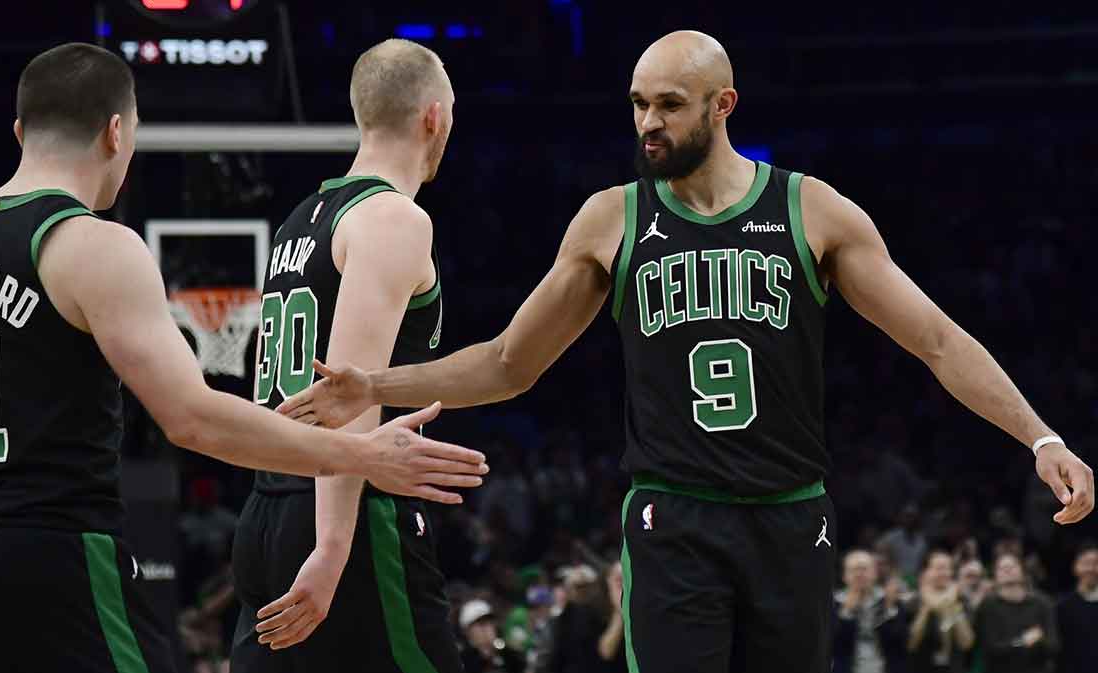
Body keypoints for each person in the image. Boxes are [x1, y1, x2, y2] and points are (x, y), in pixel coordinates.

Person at [283, 29, 1095, 673]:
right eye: (638, 104)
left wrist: (1041, 436)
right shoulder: (611, 218)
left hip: (790, 515)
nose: (648, 123)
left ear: (723, 104)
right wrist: (374, 382)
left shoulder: (811, 210)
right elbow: (506, 363)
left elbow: (938, 340)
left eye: (669, 104)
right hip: (673, 520)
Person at [0, 43, 487, 673]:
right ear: (117, 131)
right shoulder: (89, 243)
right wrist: (356, 476)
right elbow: (220, 413)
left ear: (19, 131)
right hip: (69, 552)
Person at [231, 39, 468, 672]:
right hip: (349, 512)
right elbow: (346, 394)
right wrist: (333, 545)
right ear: (434, 117)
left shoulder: (300, 221)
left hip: (266, 508)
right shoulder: (393, 218)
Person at [973, 554, 1058, 673]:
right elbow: (990, 648)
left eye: (1012, 566)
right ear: (995, 576)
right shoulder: (987, 606)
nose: (1007, 570)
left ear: (1022, 572)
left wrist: (1039, 641)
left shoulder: (1042, 603)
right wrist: (1022, 642)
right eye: (1001, 568)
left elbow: (1053, 646)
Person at [833, 550, 909, 673]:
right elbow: (834, 646)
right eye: (853, 570)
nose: (859, 574)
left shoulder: (889, 600)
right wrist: (846, 612)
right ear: (844, 576)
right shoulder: (834, 603)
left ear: (874, 573)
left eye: (864, 569)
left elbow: (900, 643)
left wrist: (889, 609)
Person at [907, 552, 974, 673]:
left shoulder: (961, 599)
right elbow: (911, 644)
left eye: (947, 568)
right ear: (927, 572)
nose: (943, 573)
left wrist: (953, 605)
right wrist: (927, 607)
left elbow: (967, 643)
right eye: (938, 568)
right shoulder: (914, 601)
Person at [1056, 543, 1098, 671]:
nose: (1090, 569)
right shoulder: (1062, 607)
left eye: (1095, 563)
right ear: (1075, 567)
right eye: (1085, 563)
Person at [460, 599, 527, 673]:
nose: (487, 628)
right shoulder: (462, 660)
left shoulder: (508, 654)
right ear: (467, 631)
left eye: (490, 622)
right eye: (481, 624)